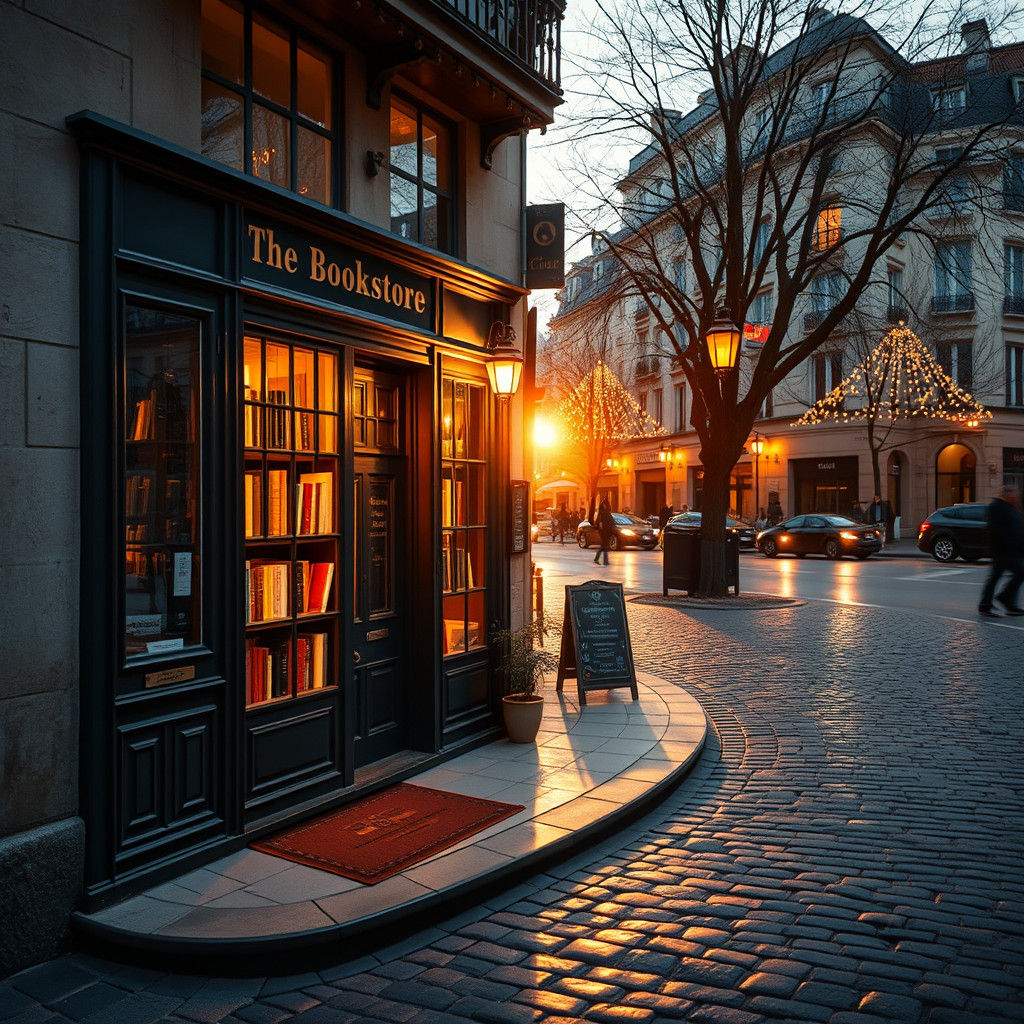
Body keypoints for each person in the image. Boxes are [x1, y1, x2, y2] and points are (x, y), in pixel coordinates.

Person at [979, 486, 1024, 617]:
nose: (1016, 497)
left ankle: (1006, 603)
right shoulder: (996, 507)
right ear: (1006, 495)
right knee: (1010, 575)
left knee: (1000, 576)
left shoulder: (1012, 508)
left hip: (1012, 550)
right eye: (1014, 495)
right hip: (1003, 550)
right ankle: (995, 603)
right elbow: (995, 529)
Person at [594, 498, 615, 566]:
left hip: (607, 531)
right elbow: (599, 523)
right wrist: (602, 529)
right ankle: (605, 561)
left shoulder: (607, 512)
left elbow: (611, 521)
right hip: (604, 532)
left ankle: (597, 559)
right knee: (605, 546)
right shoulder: (602, 513)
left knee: (603, 546)